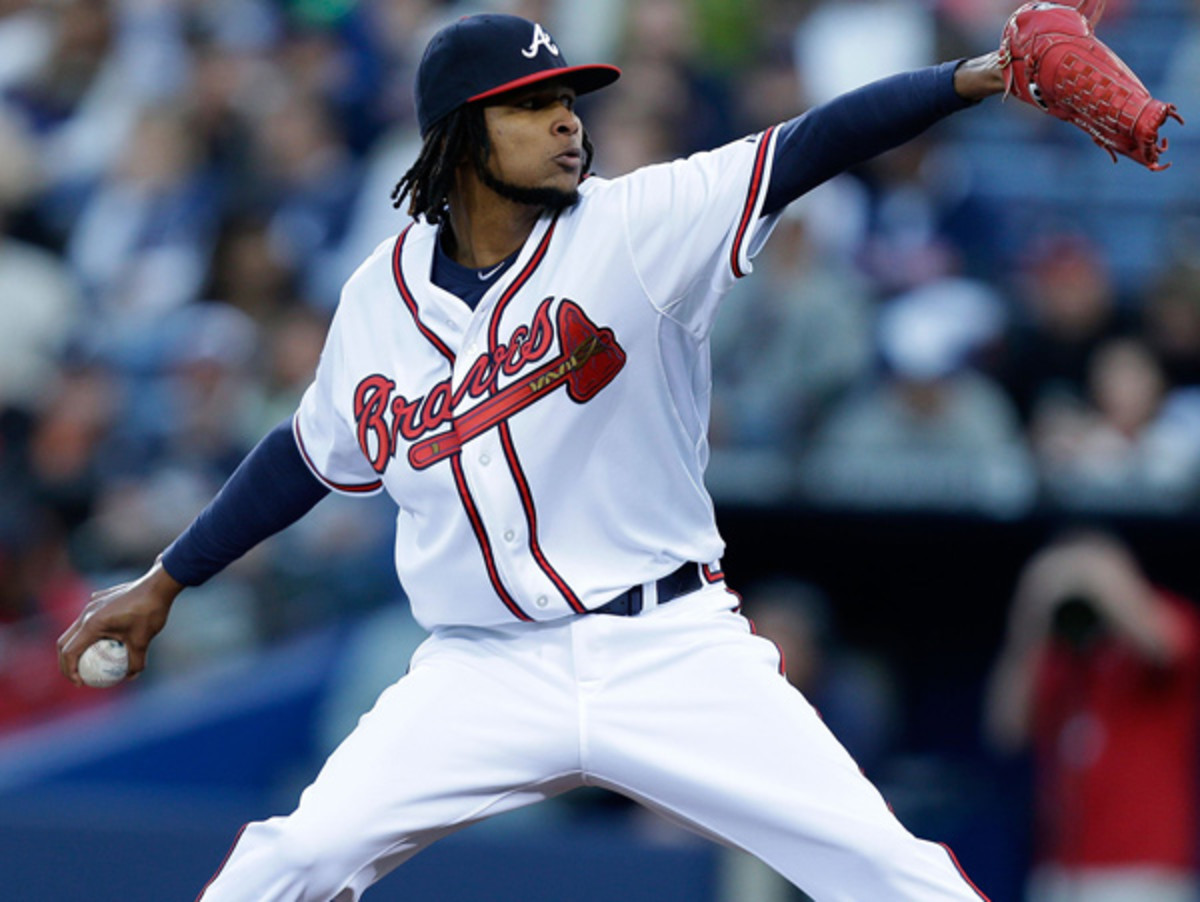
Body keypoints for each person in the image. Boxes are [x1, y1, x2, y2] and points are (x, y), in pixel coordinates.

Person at [57, 12, 1009, 901]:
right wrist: (168, 579)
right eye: (532, 105)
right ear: (461, 136)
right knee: (294, 857)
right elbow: (307, 456)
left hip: (668, 649)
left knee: (890, 870)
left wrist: (972, 76)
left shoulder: (641, 226)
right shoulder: (376, 300)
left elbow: (811, 144)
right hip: (482, 670)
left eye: (568, 103)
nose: (566, 124)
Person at [984, 529, 1200, 902]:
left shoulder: (1164, 624)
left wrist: (1102, 575)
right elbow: (1005, 730)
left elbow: (1166, 645)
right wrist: (1032, 609)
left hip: (1146, 874)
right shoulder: (1055, 651)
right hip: (1062, 873)